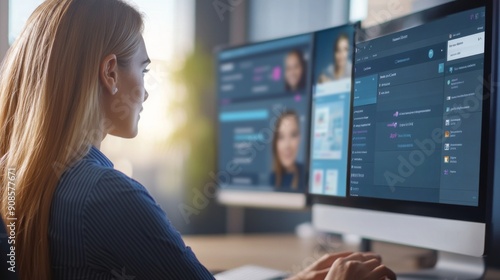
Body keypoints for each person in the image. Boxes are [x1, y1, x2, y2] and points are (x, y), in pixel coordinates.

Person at [0, 0, 395, 279]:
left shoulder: (15, 176)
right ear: (110, 73)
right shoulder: (108, 196)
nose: (148, 89)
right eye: (144, 67)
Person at [270, 110, 304, 190]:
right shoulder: (271, 179)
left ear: (300, 138)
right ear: (275, 143)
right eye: (281, 137)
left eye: (293, 135)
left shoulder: (307, 176)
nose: (287, 145)